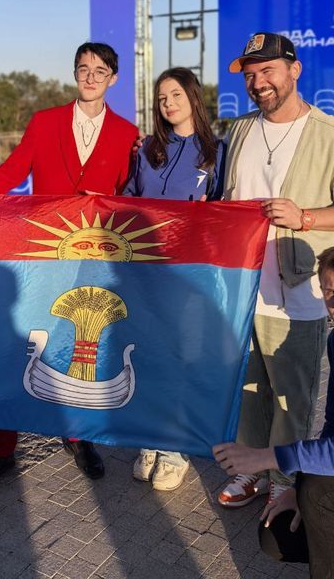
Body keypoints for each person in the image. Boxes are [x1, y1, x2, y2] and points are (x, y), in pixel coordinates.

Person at [0, 41, 139, 497]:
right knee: (18, 346)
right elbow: (10, 174)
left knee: (79, 345)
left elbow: (131, 196)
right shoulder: (45, 121)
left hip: (94, 260)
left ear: (113, 78)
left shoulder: (127, 133)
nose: (90, 76)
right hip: (40, 255)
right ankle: (1, 449)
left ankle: (78, 435)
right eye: (83, 68)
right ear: (74, 73)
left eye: (100, 70)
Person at [217, 32, 334, 510]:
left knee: (293, 396)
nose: (257, 83)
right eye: (250, 75)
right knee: (249, 389)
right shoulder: (239, 131)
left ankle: (285, 478)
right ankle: (250, 468)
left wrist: (305, 217)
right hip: (245, 288)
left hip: (299, 293)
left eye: (267, 70)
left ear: (294, 69)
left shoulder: (332, 135)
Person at [213, 245, 334, 579]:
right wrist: (297, 489)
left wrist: (268, 457)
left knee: (323, 492)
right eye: (331, 292)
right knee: (279, 536)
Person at [124, 67, 225, 491]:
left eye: (176, 95)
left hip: (188, 274)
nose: (168, 104)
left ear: (193, 97)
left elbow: (227, 209)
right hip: (145, 273)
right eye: (162, 98)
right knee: (146, 356)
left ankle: (174, 450)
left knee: (180, 359)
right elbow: (128, 198)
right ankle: (150, 439)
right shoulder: (147, 149)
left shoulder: (216, 151)